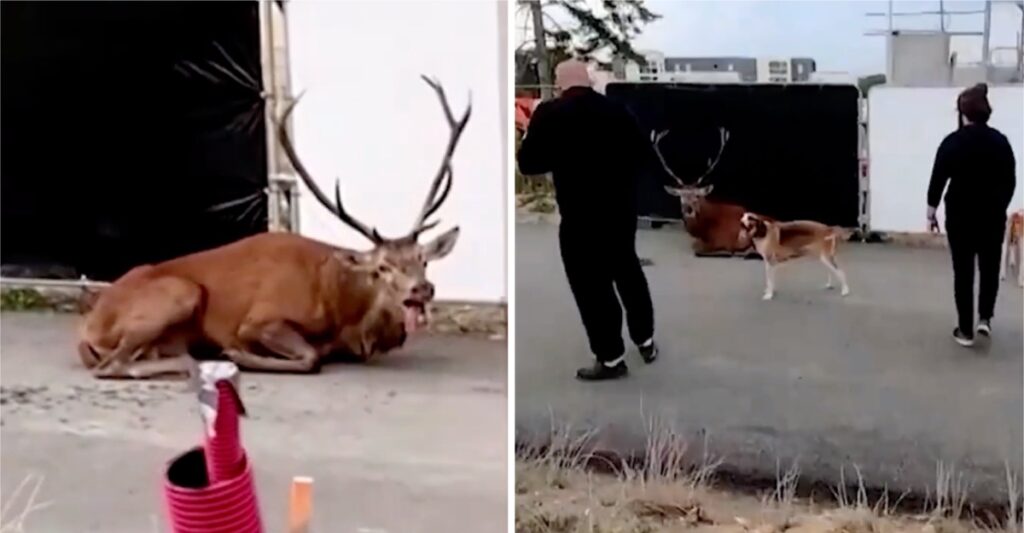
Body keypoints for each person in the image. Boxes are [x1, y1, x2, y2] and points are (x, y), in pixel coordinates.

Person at [517, 59, 656, 381]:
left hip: (579, 215)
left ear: (559, 83)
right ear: (589, 81)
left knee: (590, 287)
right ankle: (645, 339)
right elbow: (644, 155)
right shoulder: (617, 110)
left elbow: (528, 164)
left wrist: (539, 142)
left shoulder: (549, 114)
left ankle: (610, 357)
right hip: (620, 212)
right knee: (628, 272)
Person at [927, 83, 1017, 347]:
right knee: (989, 269)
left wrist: (931, 212)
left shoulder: (952, 142)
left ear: (962, 112)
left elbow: (938, 179)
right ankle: (984, 320)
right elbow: (1010, 181)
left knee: (963, 272)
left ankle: (965, 331)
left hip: (960, 217)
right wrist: (999, 205)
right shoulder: (1001, 142)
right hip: (991, 217)